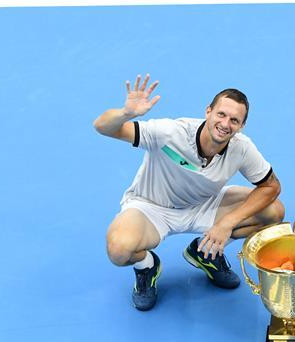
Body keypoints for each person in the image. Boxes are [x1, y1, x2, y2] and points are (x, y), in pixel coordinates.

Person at [94, 74, 284, 311]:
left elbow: (271, 187)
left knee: (273, 212)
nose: (226, 124)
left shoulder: (242, 148)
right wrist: (126, 113)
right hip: (151, 208)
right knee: (119, 250)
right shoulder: (169, 132)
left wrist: (227, 223)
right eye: (221, 114)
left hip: (204, 204)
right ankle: (147, 266)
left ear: (241, 126)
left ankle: (205, 252)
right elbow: (102, 127)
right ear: (208, 111)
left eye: (234, 120)